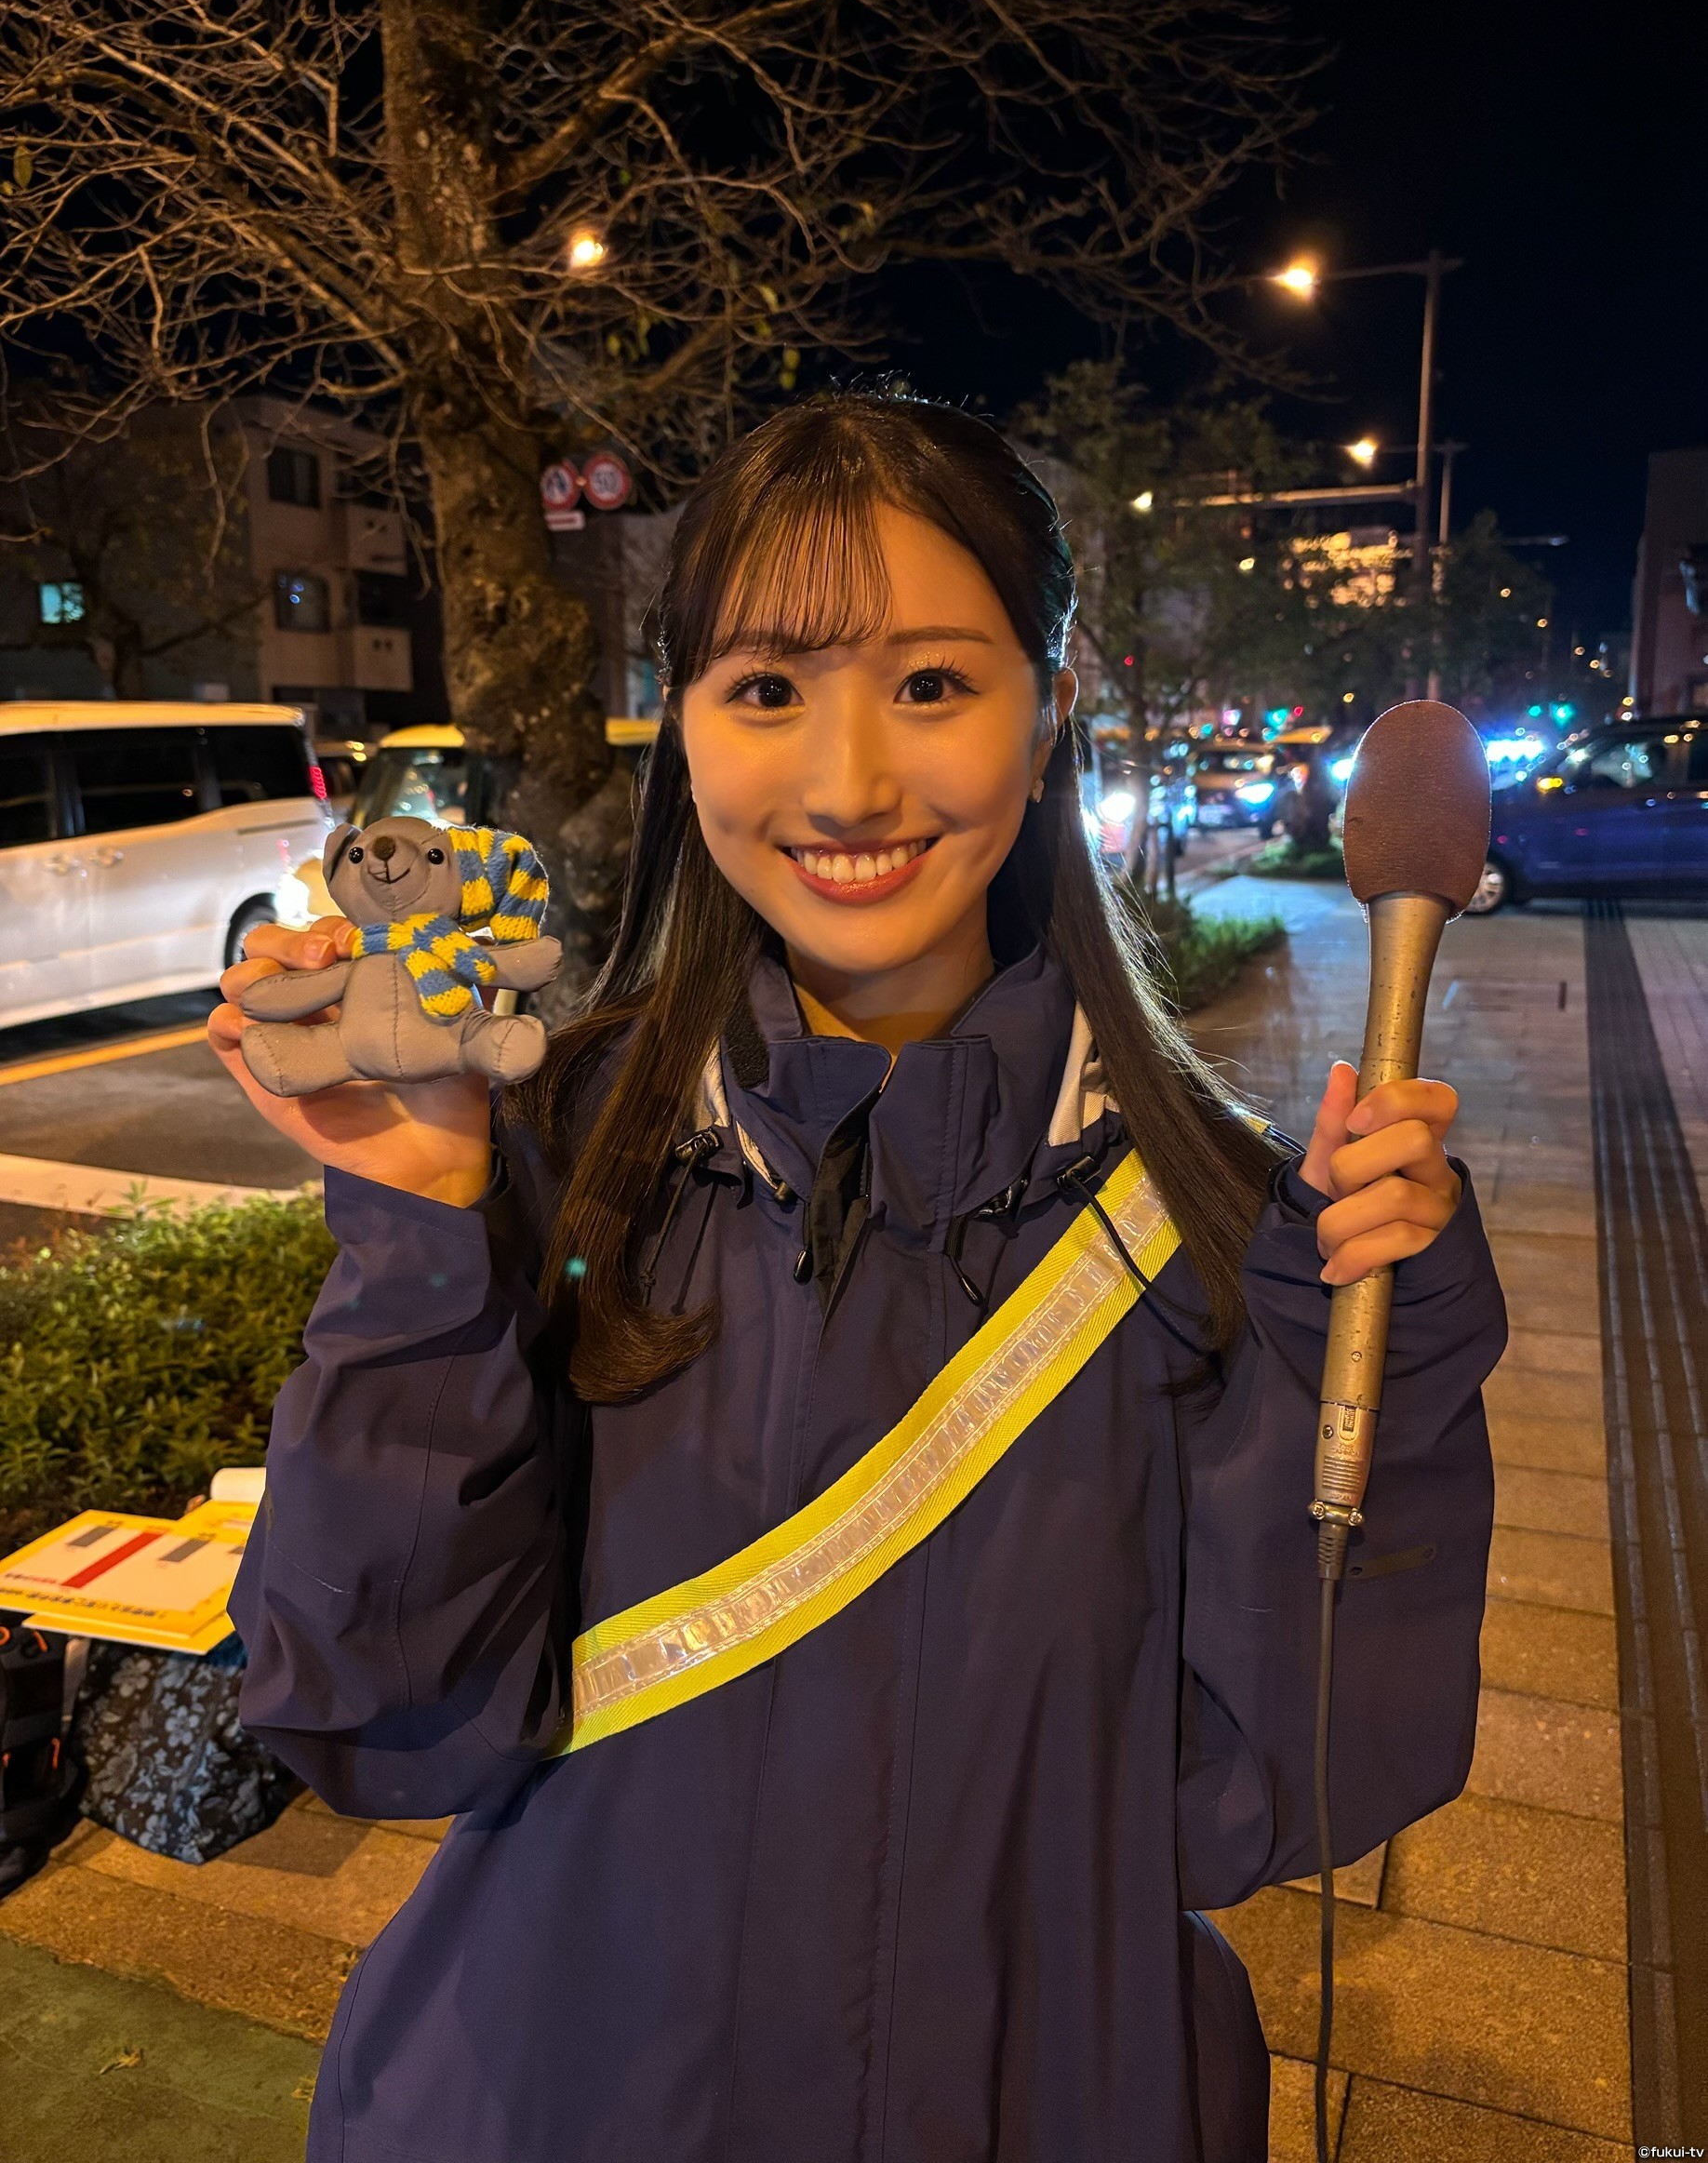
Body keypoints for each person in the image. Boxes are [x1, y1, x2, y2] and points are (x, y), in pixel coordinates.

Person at [211, 395, 1502, 2163]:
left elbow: (1278, 1792)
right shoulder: (558, 1151)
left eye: (932, 684)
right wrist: (415, 1228)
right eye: (766, 688)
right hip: (562, 2092)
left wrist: (1380, 1348)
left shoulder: (1218, 1227)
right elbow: (383, 1715)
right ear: (682, 724)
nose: (846, 786)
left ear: (1050, 715)